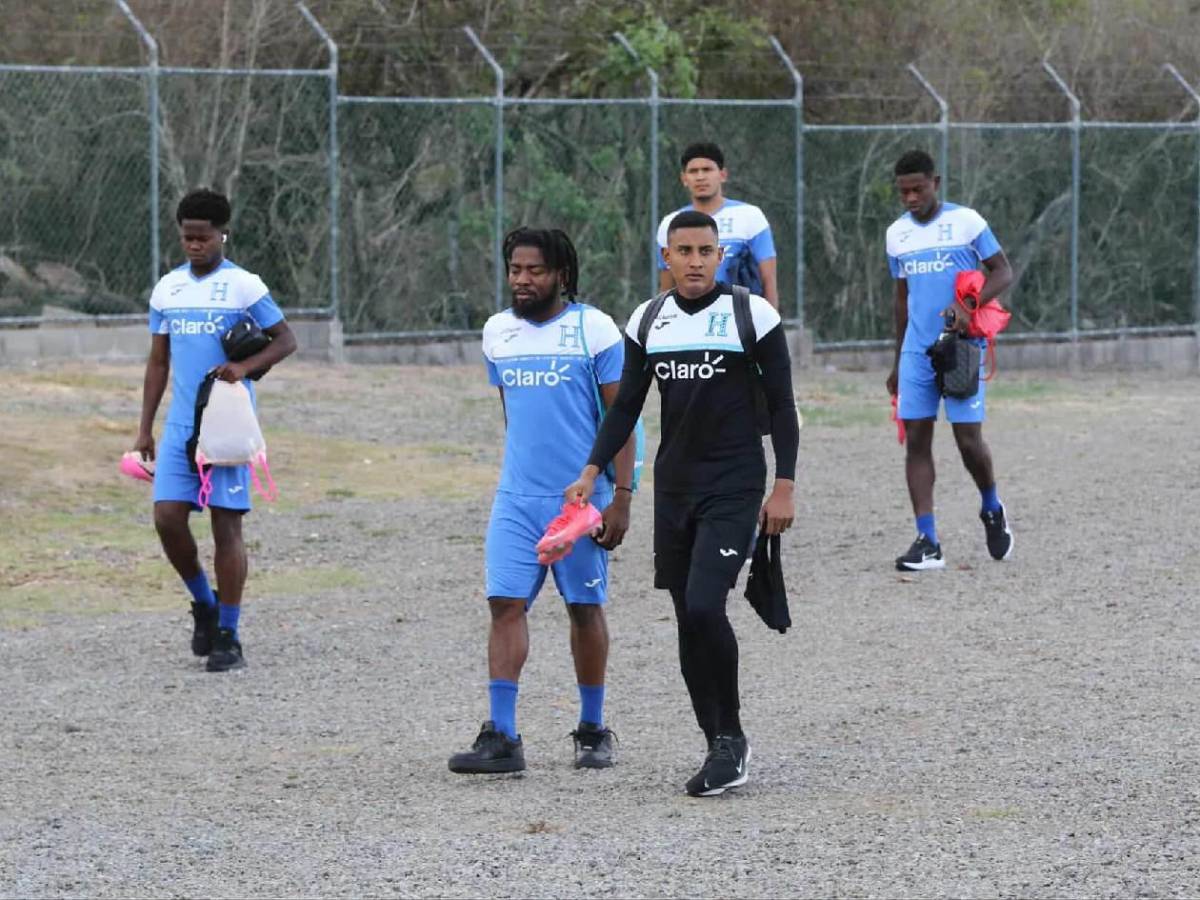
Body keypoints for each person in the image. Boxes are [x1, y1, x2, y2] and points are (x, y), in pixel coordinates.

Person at [565, 210, 799, 797]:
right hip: (675, 487)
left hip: (736, 482)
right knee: (685, 617)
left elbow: (783, 404)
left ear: (721, 256)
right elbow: (625, 407)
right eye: (683, 250)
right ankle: (713, 739)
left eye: (705, 250)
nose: (695, 260)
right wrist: (593, 468)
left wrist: (785, 484)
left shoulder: (753, 314)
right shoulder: (648, 320)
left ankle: (732, 740)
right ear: (664, 258)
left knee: (702, 604)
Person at [448, 227, 637, 775]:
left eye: (535, 270)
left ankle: (592, 728)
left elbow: (621, 421)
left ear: (562, 275)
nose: (522, 280)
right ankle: (503, 737)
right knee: (504, 604)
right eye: (515, 270)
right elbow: (514, 413)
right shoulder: (497, 333)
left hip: (580, 502)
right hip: (516, 497)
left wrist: (620, 498)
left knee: (583, 608)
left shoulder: (594, 329)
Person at [132, 188, 296, 672]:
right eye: (187, 237)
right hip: (183, 423)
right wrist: (144, 428)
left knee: (227, 524)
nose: (195, 245)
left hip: (225, 419)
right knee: (166, 518)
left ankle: (228, 633)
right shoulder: (168, 289)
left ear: (223, 234)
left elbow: (285, 340)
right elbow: (158, 360)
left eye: (203, 237)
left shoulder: (244, 286)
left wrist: (245, 368)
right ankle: (203, 601)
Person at [885, 150, 1015, 572]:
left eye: (917, 189)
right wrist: (896, 360)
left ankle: (992, 507)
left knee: (967, 442)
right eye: (903, 191)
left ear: (935, 183)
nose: (910, 198)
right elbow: (902, 301)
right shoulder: (896, 235)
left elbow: (1002, 271)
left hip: (960, 349)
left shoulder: (967, 222)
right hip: (916, 354)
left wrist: (969, 303)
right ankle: (928, 540)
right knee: (917, 442)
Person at [656, 141, 780, 309]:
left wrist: (771, 327)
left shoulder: (750, 217)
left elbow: (769, 281)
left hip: (740, 320)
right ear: (684, 179)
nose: (700, 177)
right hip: (691, 321)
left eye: (707, 170)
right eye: (693, 171)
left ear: (722, 175)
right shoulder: (671, 224)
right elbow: (666, 289)